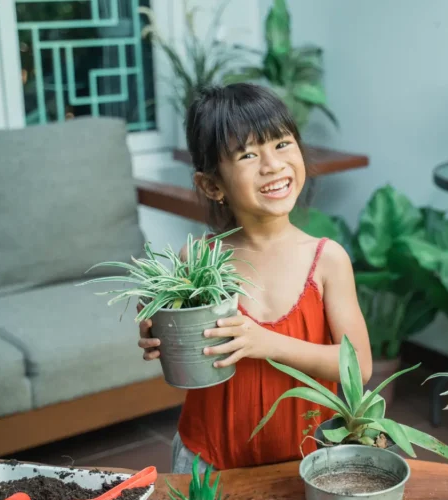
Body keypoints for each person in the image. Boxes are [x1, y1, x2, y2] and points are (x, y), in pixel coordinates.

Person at [136, 83, 372, 474]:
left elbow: (358, 366)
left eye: (281, 144)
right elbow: (178, 339)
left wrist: (265, 342)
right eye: (247, 154)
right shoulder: (198, 260)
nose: (273, 165)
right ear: (212, 186)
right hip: (210, 459)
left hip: (309, 465)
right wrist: (157, 328)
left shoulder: (327, 260)